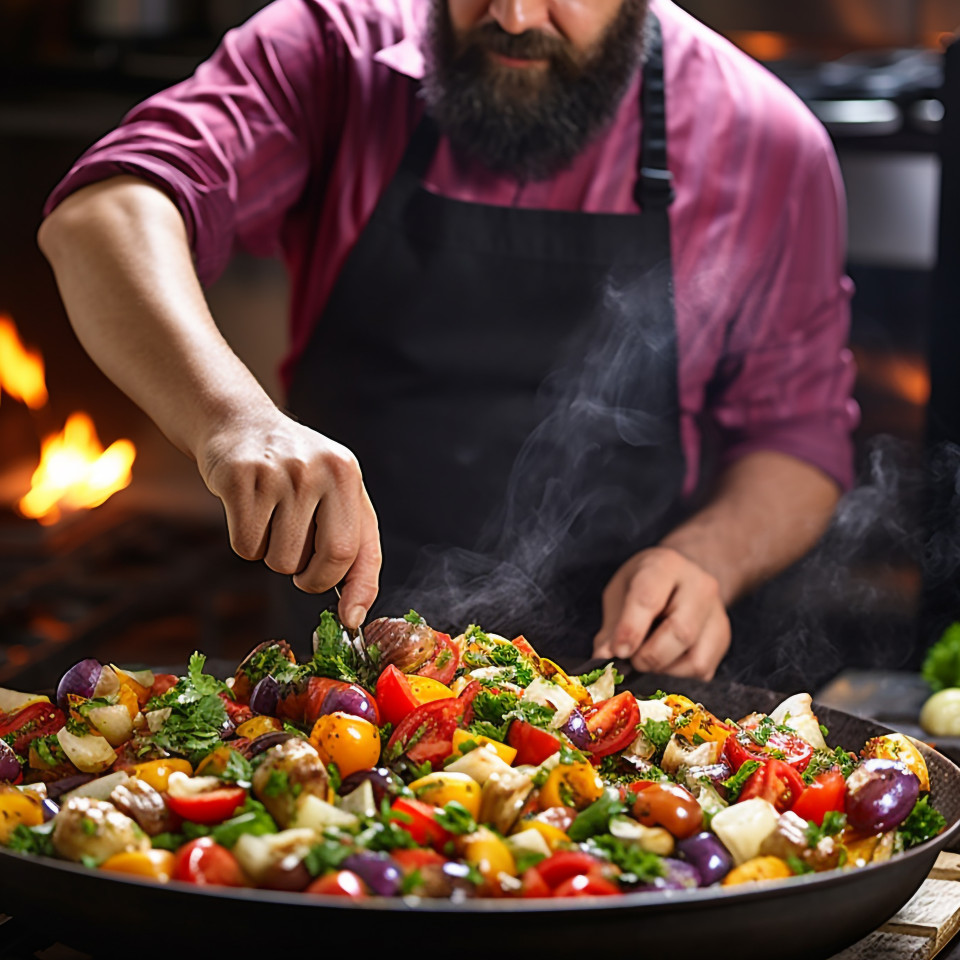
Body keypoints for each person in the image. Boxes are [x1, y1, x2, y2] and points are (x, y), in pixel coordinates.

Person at [37, 0, 857, 680]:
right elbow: (102, 215)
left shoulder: (764, 141)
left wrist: (710, 557)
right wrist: (232, 419)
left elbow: (797, 439)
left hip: (620, 695)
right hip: (340, 681)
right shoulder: (331, 49)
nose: (512, 15)